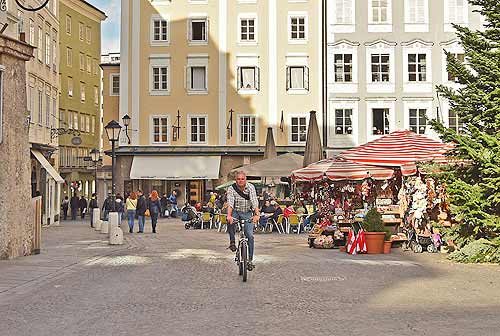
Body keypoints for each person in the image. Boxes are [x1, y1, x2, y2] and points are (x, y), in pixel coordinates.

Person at [226, 171, 260, 271]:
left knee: (250, 236)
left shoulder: (250, 187)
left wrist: (257, 214)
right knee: (230, 221)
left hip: (247, 212)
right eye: (238, 179)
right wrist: (229, 216)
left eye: (242, 179)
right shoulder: (231, 189)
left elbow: (254, 201)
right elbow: (230, 203)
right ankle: (232, 242)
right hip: (236, 211)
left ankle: (249, 260)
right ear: (235, 180)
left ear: (245, 179)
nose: (240, 181)